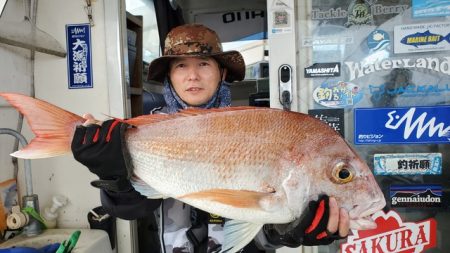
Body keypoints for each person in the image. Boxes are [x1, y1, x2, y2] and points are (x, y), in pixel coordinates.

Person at [71, 24, 349, 253]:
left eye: (204, 63)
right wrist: (113, 175)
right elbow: (131, 210)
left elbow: (265, 227)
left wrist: (290, 229)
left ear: (222, 72)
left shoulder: (257, 128)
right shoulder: (146, 132)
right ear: (170, 76)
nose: (192, 75)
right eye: (180, 65)